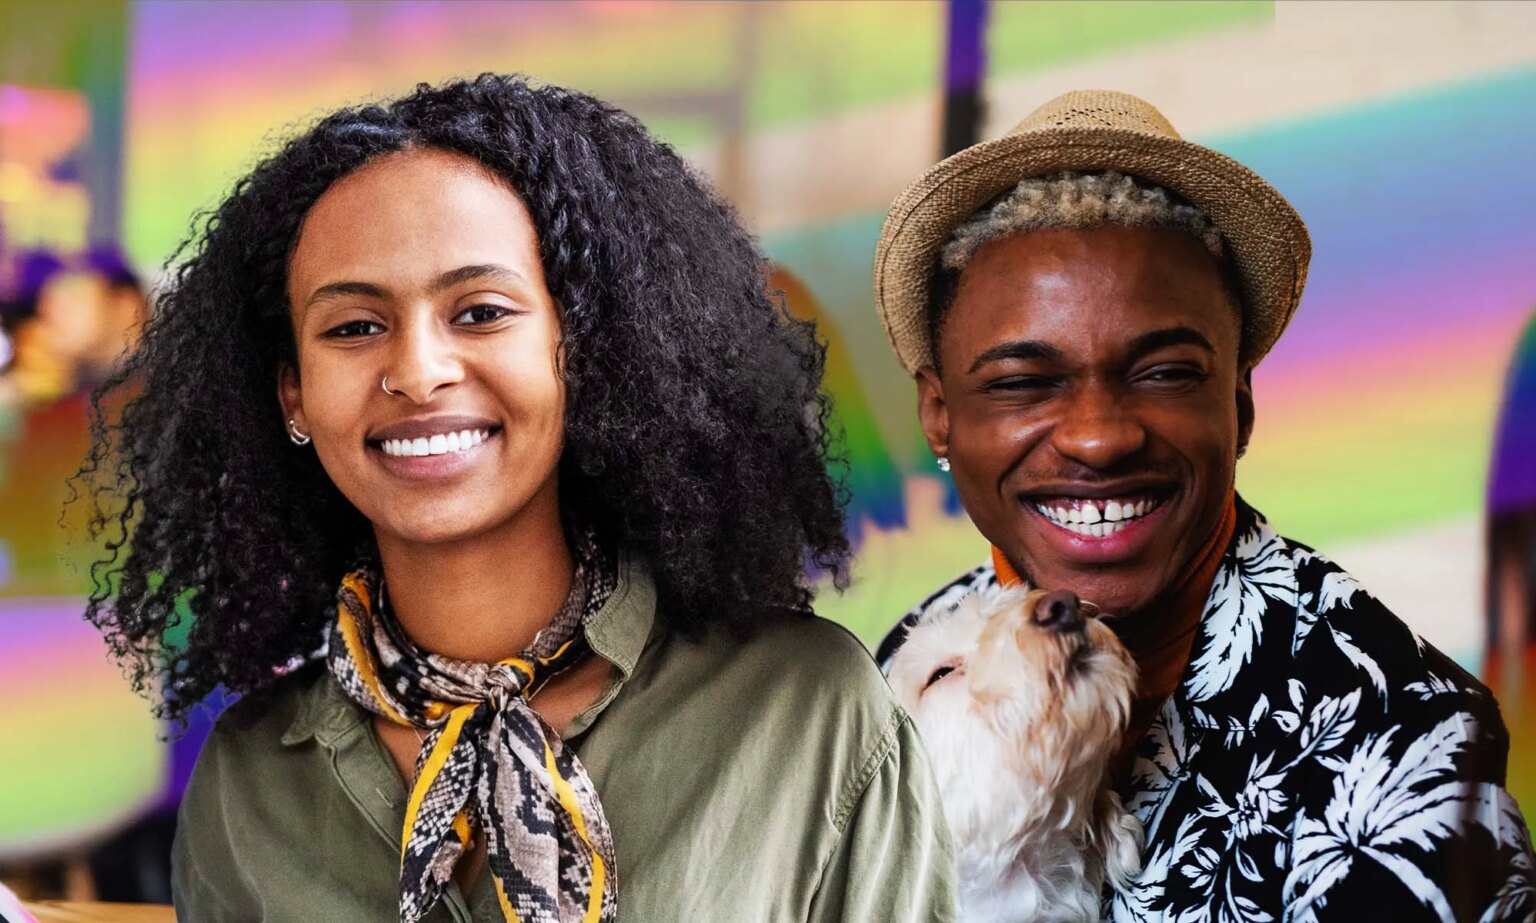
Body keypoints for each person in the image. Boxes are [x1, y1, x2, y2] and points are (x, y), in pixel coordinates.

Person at [77, 75, 955, 922]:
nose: (418, 371)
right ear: (294, 396)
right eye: (354, 326)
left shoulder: (808, 712)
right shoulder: (250, 783)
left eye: (481, 311)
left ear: (584, 350)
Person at [872, 89, 1534, 920]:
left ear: (1240, 404)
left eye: (1165, 372)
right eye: (1024, 382)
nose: (1099, 437)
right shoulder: (892, 678)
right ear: (940, 414)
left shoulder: (1408, 747)